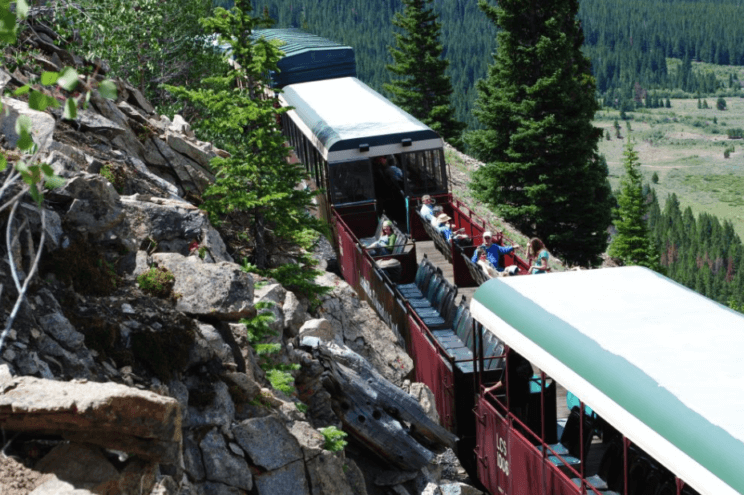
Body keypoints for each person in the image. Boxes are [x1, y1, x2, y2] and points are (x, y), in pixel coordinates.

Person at [485, 348, 533, 422]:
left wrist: (489, 389)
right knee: (523, 421)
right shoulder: (524, 358)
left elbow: (503, 382)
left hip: (514, 399)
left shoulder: (509, 361)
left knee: (515, 421)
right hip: (525, 396)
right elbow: (530, 374)